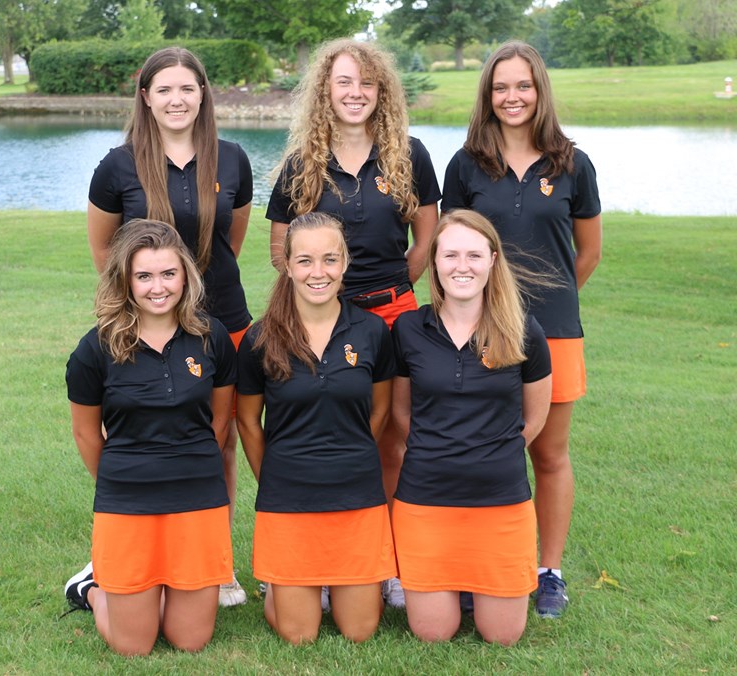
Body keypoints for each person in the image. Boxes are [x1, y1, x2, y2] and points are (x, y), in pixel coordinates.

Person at [265, 36, 441, 609]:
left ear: (381, 91)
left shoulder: (408, 154)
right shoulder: (302, 164)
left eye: (367, 83)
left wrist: (393, 289)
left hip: (392, 312)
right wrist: (325, 295)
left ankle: (386, 564)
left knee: (392, 440)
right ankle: (305, 562)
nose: (356, 93)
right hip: (317, 315)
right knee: (316, 433)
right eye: (344, 81)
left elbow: (427, 240)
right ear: (326, 90)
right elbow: (279, 249)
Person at [441, 40, 602, 619]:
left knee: (549, 454)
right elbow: (450, 247)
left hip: (554, 331)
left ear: (540, 91)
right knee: (476, 449)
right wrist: (497, 308)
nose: (512, 97)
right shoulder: (465, 165)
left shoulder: (573, 163)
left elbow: (586, 254)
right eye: (501, 86)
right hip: (478, 331)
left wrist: (545, 304)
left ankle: (548, 570)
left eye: (523, 85)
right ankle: (468, 566)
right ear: (487, 95)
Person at [86, 46, 253, 606]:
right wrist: (150, 302)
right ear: (146, 98)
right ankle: (130, 548)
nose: (176, 99)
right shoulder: (117, 165)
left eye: (187, 88)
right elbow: (107, 254)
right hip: (145, 327)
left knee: (219, 438)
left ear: (203, 94)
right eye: (164, 90)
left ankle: (216, 563)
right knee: (141, 432)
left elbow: (231, 243)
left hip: (222, 321)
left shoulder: (231, 159)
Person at [63, 220, 237, 655]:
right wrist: (124, 481)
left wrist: (187, 465)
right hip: (127, 501)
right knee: (133, 645)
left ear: (185, 276)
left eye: (168, 274)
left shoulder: (212, 337)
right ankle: (90, 588)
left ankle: (146, 591)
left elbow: (220, 423)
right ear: (125, 280)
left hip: (198, 497)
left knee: (189, 640)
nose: (157, 287)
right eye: (144, 276)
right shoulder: (95, 349)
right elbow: (86, 433)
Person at [390, 209, 552, 644]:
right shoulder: (408, 329)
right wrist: (439, 451)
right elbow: (401, 414)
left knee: (502, 635)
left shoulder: (524, 331)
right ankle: (453, 589)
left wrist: (490, 453)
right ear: (435, 262)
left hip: (500, 502)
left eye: (475, 255)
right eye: (451, 255)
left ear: (493, 260)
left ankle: (475, 588)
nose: (463, 266)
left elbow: (535, 419)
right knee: (433, 632)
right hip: (426, 502)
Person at [236, 213, 396, 644]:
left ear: (345, 262)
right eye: (305, 261)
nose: (318, 272)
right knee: (299, 634)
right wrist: (273, 476)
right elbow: (248, 421)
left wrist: (351, 456)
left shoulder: (373, 332)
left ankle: (338, 582)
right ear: (287, 265)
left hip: (356, 494)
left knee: (360, 631)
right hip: (288, 497)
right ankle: (287, 585)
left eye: (329, 259)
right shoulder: (260, 338)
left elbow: (380, 413)